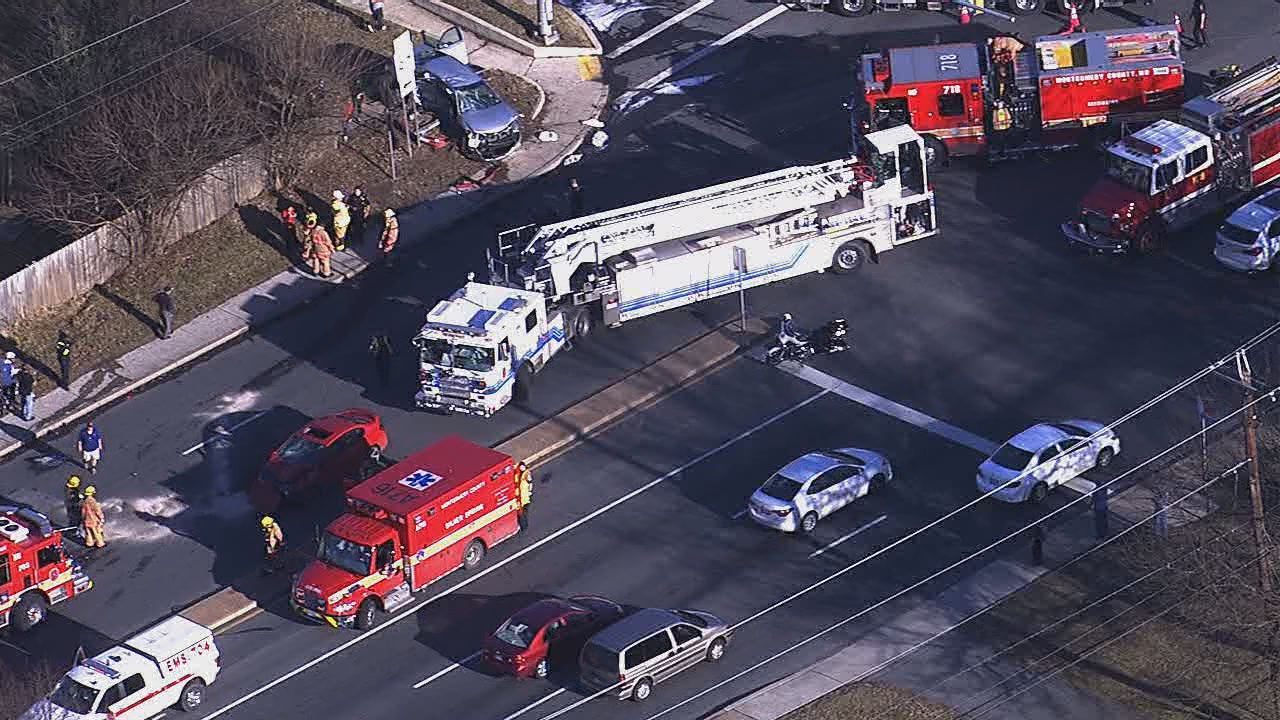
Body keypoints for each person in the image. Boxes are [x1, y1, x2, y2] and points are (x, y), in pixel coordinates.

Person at [64, 476, 84, 541]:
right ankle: (74, 532)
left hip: (71, 508)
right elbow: (75, 501)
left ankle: (73, 530)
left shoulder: (69, 489)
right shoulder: (72, 492)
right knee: (76, 521)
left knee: (73, 520)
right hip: (74, 509)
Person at [516, 462, 533, 531]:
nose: (521, 468)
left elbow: (530, 483)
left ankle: (524, 526)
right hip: (521, 498)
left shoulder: (526, 474)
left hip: (526, 498)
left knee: (523, 514)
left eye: (522, 466)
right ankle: (523, 525)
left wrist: (529, 492)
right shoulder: (520, 474)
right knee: (522, 513)